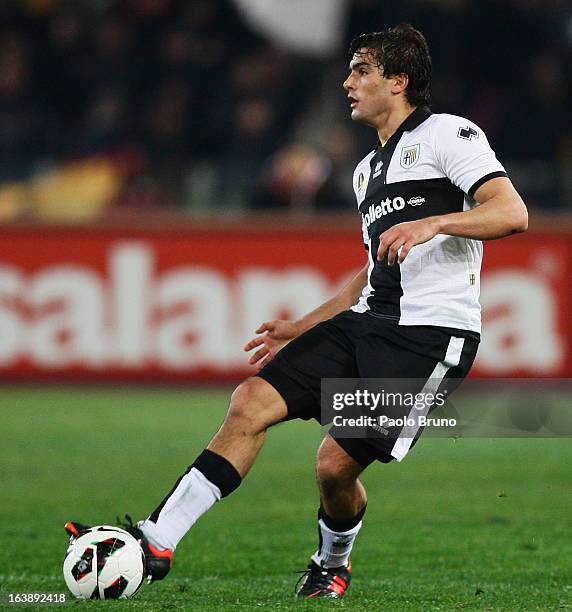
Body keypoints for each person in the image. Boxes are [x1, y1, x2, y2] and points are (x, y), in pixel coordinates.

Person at [65, 24, 528, 599]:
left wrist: (436, 220)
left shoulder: (449, 136)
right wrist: (304, 324)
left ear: (399, 80)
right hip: (367, 321)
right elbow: (375, 268)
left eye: (362, 70)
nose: (348, 82)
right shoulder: (367, 170)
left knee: (334, 466)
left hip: (429, 338)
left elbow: (511, 212)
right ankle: (156, 542)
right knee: (249, 401)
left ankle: (332, 563)